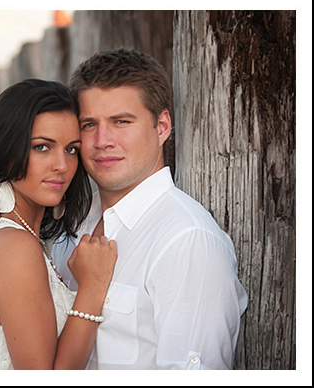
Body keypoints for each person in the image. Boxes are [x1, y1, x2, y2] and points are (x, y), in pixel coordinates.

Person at [52, 49, 249, 370]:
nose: (103, 140)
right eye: (89, 125)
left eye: (121, 121)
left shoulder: (187, 240)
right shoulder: (72, 226)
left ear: (162, 126)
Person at [0, 79, 117, 370]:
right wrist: (92, 288)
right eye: (42, 147)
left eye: (71, 149)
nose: (61, 165)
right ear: (7, 152)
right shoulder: (13, 246)